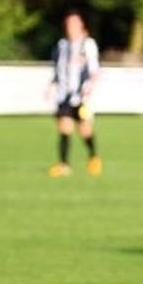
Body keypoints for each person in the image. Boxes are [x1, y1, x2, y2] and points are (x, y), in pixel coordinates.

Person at [48, 11, 102, 178]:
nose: (71, 27)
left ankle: (93, 157)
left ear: (81, 26)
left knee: (84, 129)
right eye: (69, 24)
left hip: (81, 96)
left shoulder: (88, 44)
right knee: (64, 127)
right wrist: (51, 86)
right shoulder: (62, 45)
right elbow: (58, 70)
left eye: (74, 24)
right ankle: (64, 165)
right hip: (63, 95)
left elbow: (94, 70)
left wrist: (90, 88)